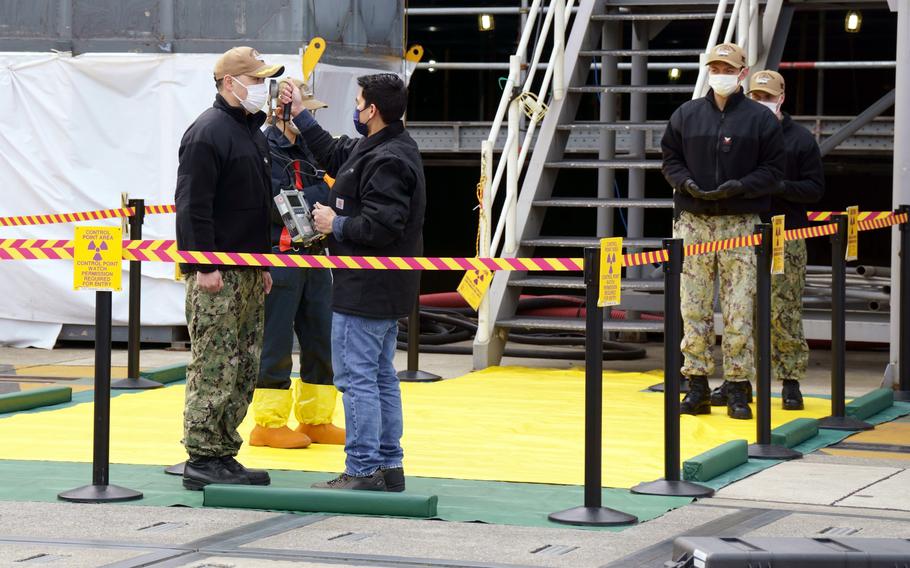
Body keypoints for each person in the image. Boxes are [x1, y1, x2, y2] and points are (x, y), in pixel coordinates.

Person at [281, 73, 425, 491]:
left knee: (357, 378)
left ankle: (362, 469)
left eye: (358, 103)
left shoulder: (388, 159)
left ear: (372, 110)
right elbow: (335, 152)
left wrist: (334, 223)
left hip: (366, 288)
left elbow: (383, 226)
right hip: (382, 287)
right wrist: (300, 115)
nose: (355, 110)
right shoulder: (381, 146)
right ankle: (388, 465)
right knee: (380, 376)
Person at [174, 46, 282, 490]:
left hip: (248, 269)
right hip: (218, 271)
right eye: (255, 80)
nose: (260, 87)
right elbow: (193, 204)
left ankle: (222, 449)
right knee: (214, 362)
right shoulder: (208, 132)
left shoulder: (250, 132)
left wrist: (262, 261)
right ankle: (202, 455)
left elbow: (255, 203)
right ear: (229, 82)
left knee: (242, 362)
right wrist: (203, 263)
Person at [661, 43, 786, 420]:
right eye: (715, 66)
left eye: (727, 67)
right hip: (694, 221)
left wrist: (741, 186)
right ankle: (696, 384)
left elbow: (773, 169)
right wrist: (685, 185)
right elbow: (670, 158)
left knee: (739, 310)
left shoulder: (760, 120)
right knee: (693, 307)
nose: (721, 73)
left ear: (742, 72)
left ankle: (736, 387)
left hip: (741, 223)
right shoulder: (686, 115)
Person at [249, 78, 345, 449]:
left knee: (321, 338)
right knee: (274, 341)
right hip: (280, 257)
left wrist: (312, 200)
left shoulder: (314, 151)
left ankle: (316, 419)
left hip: (317, 257)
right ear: (280, 111)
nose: (310, 119)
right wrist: (316, 200)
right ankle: (268, 423)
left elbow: (330, 196)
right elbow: (271, 204)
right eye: (304, 111)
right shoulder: (263, 148)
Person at [744, 70, 824, 410]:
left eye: (766, 97)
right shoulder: (740, 134)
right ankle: (739, 382)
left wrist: (780, 188)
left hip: (786, 234)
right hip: (744, 233)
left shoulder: (800, 140)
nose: (760, 104)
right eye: (755, 97)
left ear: (781, 98)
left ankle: (790, 381)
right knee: (741, 310)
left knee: (785, 310)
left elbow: (815, 189)